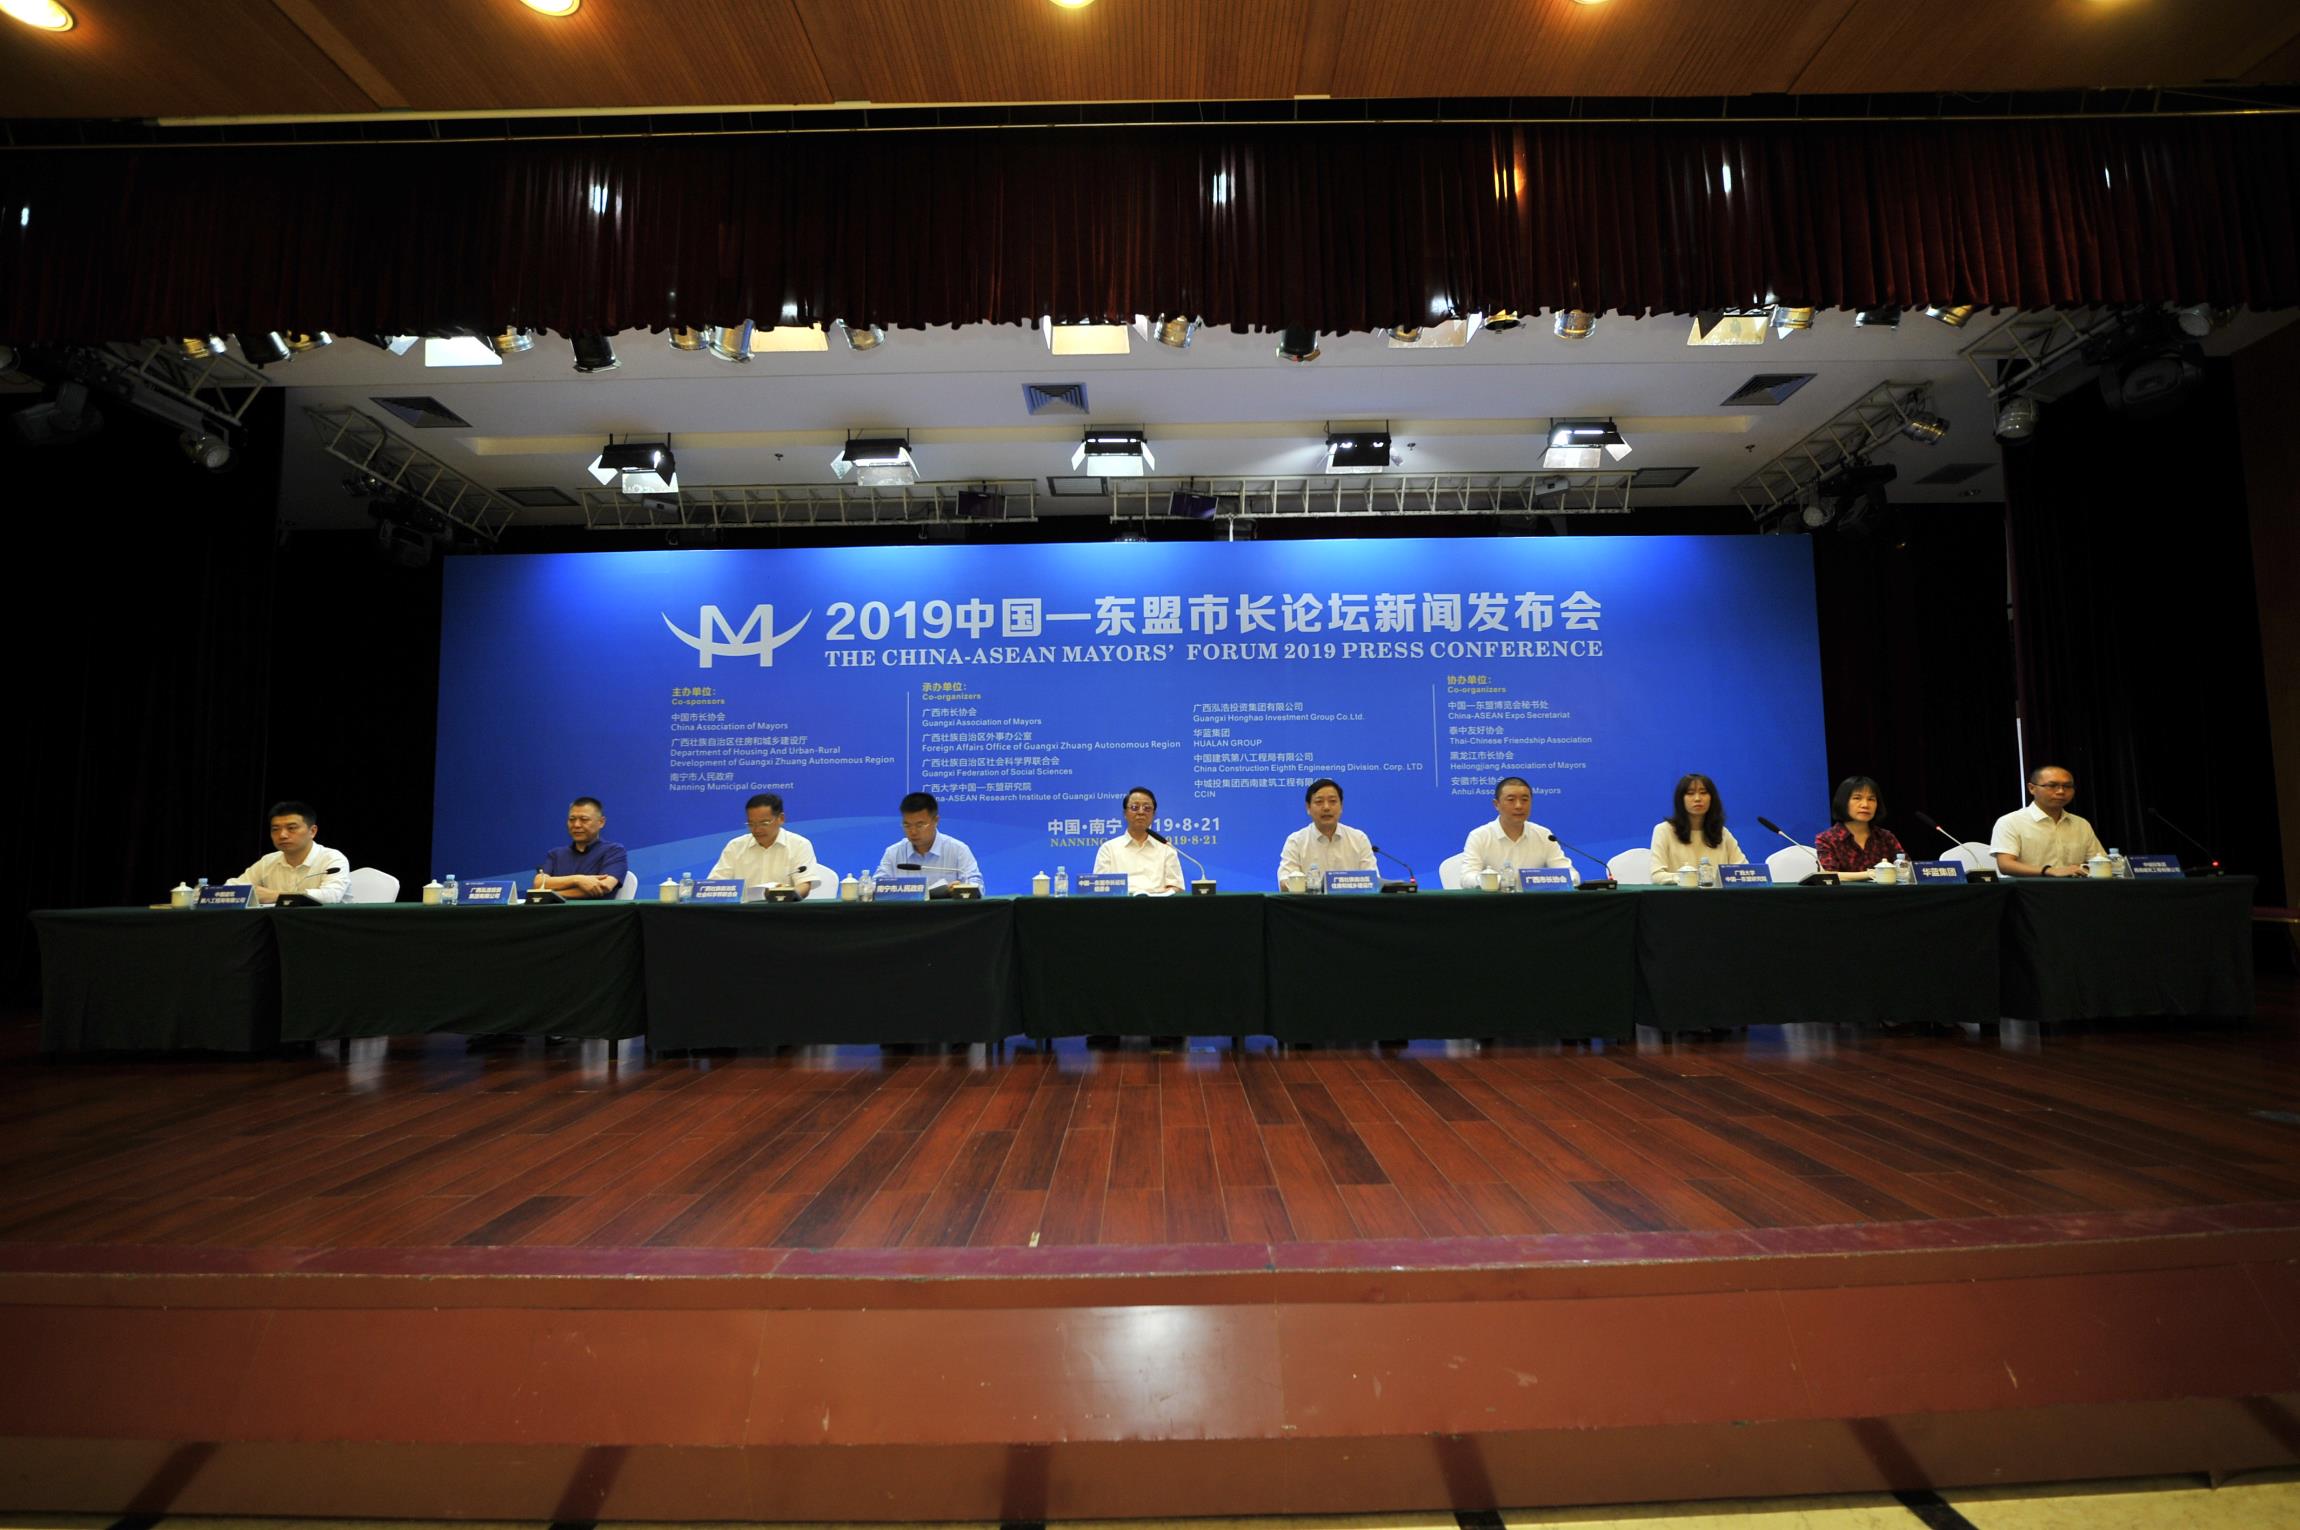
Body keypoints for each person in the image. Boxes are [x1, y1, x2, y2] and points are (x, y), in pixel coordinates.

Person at [1457, 775, 1577, 886]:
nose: (1519, 806)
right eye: (1511, 800)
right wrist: (1497, 881)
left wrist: (1560, 880)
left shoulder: (1544, 835)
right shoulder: (1479, 836)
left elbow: (1571, 874)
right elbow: (1467, 877)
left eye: (1525, 800)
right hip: (1495, 900)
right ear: (1496, 804)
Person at [1989, 764, 2106, 877]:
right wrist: (2050, 871)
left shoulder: (2081, 824)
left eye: (2067, 786)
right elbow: (2006, 865)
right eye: (2052, 785)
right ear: (2031, 788)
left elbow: (2100, 861)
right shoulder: (2010, 822)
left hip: (2075, 887)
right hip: (2027, 888)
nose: (2061, 791)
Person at [231, 800, 351, 904]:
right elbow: (232, 888)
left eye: (291, 828)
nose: (282, 835)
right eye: (275, 829)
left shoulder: (332, 858)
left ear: (312, 831)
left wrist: (275, 896)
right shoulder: (268, 861)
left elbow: (331, 895)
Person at [706, 792, 819, 896]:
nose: (757, 830)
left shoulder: (799, 845)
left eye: (764, 823)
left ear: (781, 818)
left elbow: (804, 884)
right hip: (743, 910)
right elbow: (715, 884)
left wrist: (787, 895)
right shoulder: (735, 846)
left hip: (782, 907)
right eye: (751, 824)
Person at [1648, 772, 1747, 882]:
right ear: (1680, 799)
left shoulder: (1722, 832)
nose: (1697, 798)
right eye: (1690, 793)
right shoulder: (1664, 831)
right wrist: (1692, 879)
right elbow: (1657, 875)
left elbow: (1744, 871)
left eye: (1703, 793)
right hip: (1680, 892)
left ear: (1712, 798)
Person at [1277, 777, 1376, 886]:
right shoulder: (1296, 841)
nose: (1326, 807)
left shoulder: (1359, 839)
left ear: (1341, 806)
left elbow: (1374, 881)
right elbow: (1285, 881)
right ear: (1308, 807)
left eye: (1332, 801)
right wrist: (1313, 886)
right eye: (1319, 802)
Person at [874, 791, 983, 890]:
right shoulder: (893, 853)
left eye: (920, 825)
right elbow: (875, 887)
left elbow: (977, 886)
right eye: (907, 825)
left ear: (936, 821)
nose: (913, 832)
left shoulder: (958, 850)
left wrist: (960, 889)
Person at [1093, 786, 1185, 894]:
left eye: (1147, 808)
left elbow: (1176, 887)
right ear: (1125, 813)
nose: (1141, 812)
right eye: (1134, 807)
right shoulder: (1108, 849)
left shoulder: (1166, 848)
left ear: (1154, 814)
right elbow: (1099, 887)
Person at [533, 796, 627, 898]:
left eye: (584, 819)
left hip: (594, 908)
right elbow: (538, 884)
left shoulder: (614, 851)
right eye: (572, 819)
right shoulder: (555, 854)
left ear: (601, 822)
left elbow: (603, 886)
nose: (576, 825)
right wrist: (577, 879)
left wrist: (552, 894)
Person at [1813, 776, 1906, 879]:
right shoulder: (1827, 839)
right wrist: (1870, 874)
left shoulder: (1886, 837)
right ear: (1843, 802)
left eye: (1871, 799)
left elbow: (1906, 870)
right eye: (1857, 798)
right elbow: (1828, 875)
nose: (1865, 805)